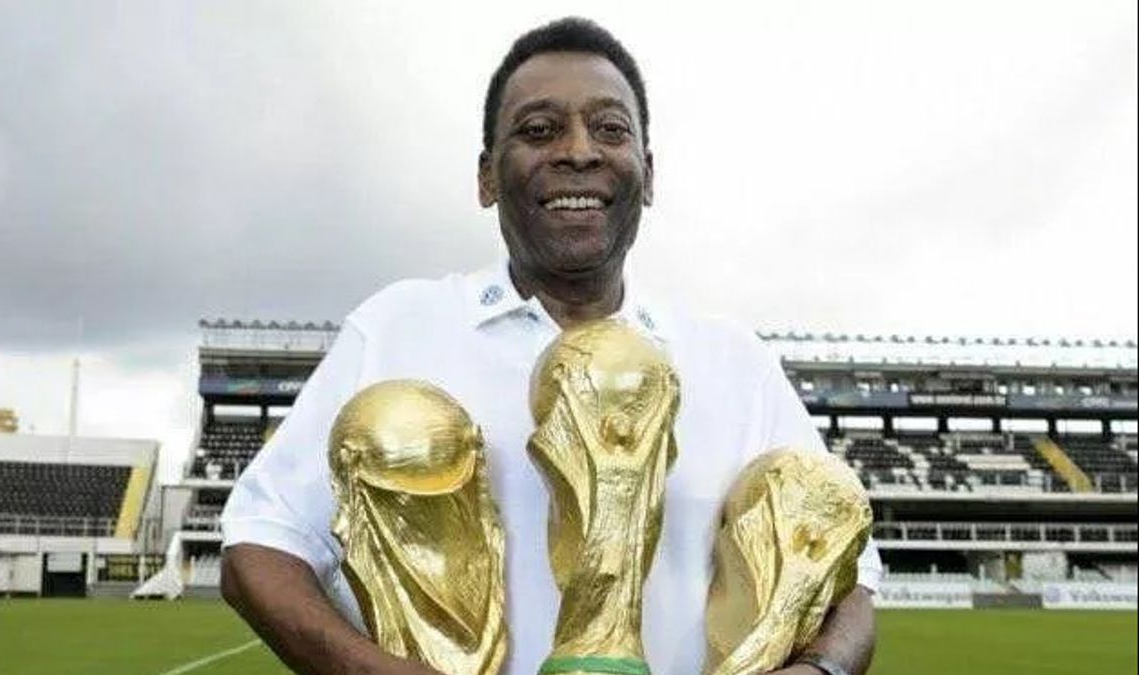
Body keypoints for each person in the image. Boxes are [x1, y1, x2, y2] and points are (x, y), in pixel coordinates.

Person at [220, 17, 881, 675]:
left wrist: (818, 670)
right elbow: (260, 545)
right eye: (539, 129)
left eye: (610, 128)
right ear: (486, 177)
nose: (578, 151)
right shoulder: (398, 326)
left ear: (647, 174)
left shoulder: (735, 360)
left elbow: (849, 579)